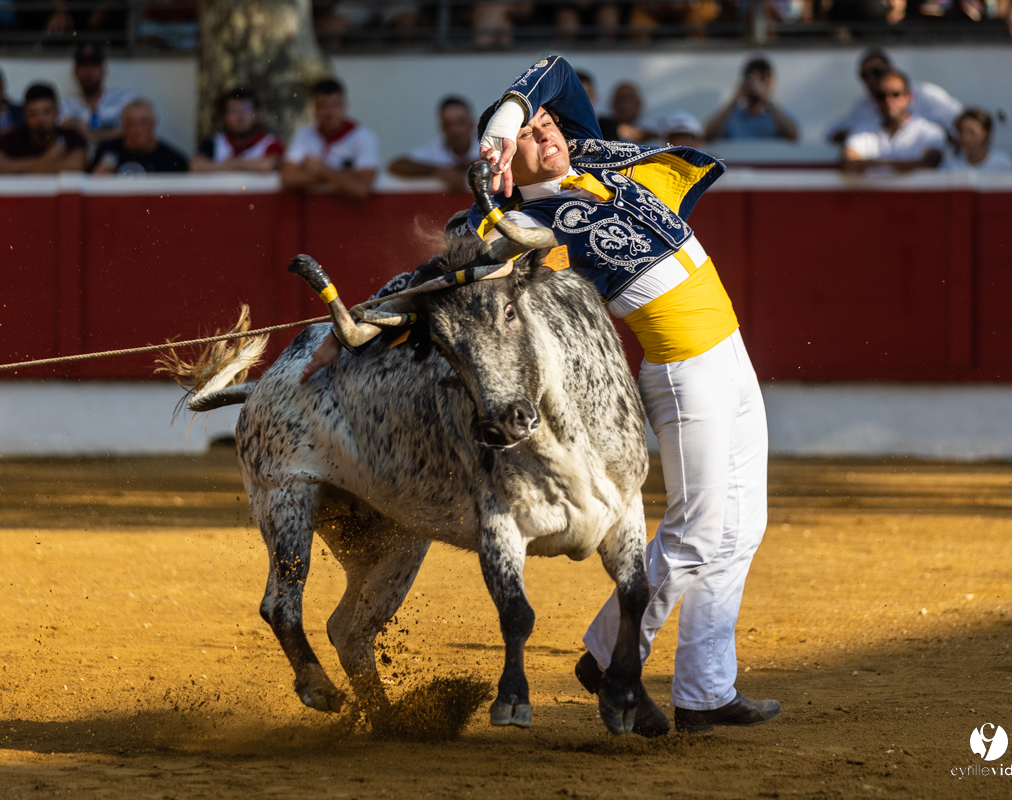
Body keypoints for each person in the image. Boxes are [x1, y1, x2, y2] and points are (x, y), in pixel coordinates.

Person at [301, 55, 781, 738]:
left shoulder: (595, 157)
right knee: (699, 529)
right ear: (504, 167)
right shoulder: (517, 230)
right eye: (528, 136)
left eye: (546, 123)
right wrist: (350, 328)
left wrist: (509, 116)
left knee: (743, 526)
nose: (546, 132)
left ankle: (707, 688)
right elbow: (432, 281)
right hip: (684, 372)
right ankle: (608, 657)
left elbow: (555, 69)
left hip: (732, 358)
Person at [826, 48, 962, 143]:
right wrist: (864, 137)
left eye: (896, 94)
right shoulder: (864, 106)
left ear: (909, 96)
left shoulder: (928, 95)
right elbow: (834, 132)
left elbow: (962, 123)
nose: (871, 79)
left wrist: (933, 139)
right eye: (864, 75)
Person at [280, 78, 379, 201]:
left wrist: (320, 169)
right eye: (323, 106)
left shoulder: (364, 137)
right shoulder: (303, 135)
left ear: (345, 106)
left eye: (335, 105)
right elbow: (287, 178)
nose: (330, 112)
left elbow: (361, 189)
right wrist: (345, 175)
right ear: (314, 109)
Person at [841, 69, 945, 175]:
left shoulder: (930, 132)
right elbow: (850, 162)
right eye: (881, 96)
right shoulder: (861, 130)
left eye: (895, 94)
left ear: (908, 96)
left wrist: (873, 165)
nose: (888, 101)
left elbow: (929, 163)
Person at [0, 83, 88, 175]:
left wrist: (20, 171)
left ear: (57, 111)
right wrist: (47, 159)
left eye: (46, 112)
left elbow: (76, 166)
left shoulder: (71, 136)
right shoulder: (12, 138)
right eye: (33, 114)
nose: (40, 119)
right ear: (25, 115)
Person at [387, 96, 478, 192]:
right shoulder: (435, 149)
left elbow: (487, 161)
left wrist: (457, 169)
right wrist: (437, 170)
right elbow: (397, 165)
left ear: (472, 123)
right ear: (442, 128)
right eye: (448, 124)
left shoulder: (485, 144)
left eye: (461, 122)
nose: (455, 130)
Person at [704, 57, 799, 142]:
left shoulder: (778, 114)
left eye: (761, 79)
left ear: (770, 83)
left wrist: (766, 98)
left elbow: (794, 136)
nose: (755, 85)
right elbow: (706, 136)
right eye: (751, 79)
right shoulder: (733, 116)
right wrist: (734, 100)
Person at [191, 87, 284, 173]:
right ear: (224, 116)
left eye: (246, 109)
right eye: (233, 111)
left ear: (257, 114)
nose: (240, 117)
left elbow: (267, 165)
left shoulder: (271, 143)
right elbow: (196, 166)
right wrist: (248, 165)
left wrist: (232, 163)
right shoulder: (214, 142)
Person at [59, 43, 135, 146]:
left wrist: (89, 134)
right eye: (83, 65)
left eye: (95, 65)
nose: (89, 71)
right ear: (75, 71)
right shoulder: (66, 105)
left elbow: (135, 132)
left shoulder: (123, 99)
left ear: (103, 70)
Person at [90, 99, 189, 175]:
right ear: (123, 125)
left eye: (144, 123)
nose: (137, 130)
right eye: (131, 123)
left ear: (153, 123)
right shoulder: (106, 151)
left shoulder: (173, 161)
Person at [940, 108, 1012, 173]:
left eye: (972, 132)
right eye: (961, 132)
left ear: (986, 133)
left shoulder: (1003, 163)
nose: (966, 137)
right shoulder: (951, 165)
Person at [575, 71, 619, 141]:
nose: (583, 100)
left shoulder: (611, 126)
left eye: (587, 95)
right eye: (577, 95)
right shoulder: (558, 127)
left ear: (595, 96)